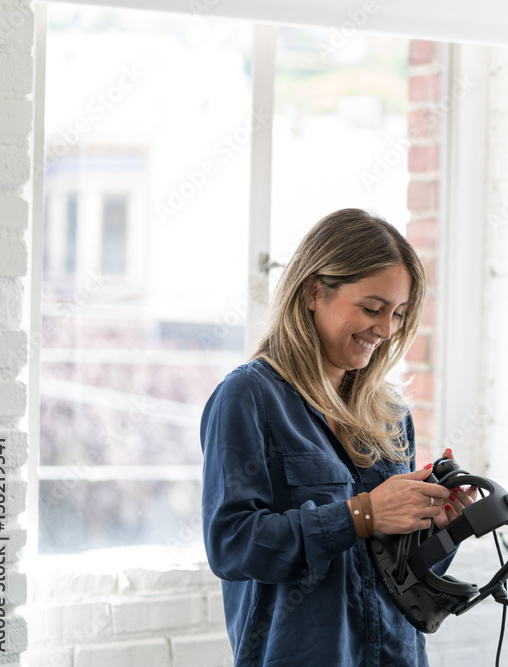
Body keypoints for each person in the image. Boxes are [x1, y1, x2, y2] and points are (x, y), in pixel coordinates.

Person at [200, 209, 474, 667]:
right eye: (372, 308)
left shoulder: (391, 415)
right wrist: (363, 514)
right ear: (313, 292)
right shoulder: (248, 397)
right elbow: (233, 546)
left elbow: (401, 579)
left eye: (398, 314)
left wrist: (441, 528)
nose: (386, 330)